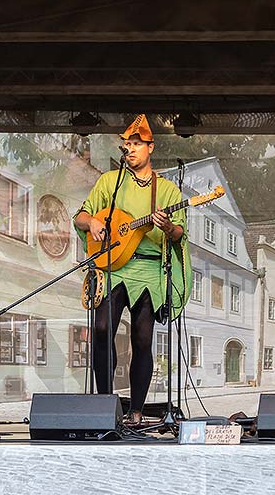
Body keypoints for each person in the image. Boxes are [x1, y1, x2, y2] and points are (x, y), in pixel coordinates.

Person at [73, 115, 192, 425]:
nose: (131, 150)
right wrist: (94, 222)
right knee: (101, 330)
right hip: (113, 267)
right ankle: (104, 403)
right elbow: (81, 217)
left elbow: (179, 234)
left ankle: (136, 411)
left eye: (137, 144)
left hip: (149, 270)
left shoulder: (166, 190)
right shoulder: (109, 183)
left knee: (142, 340)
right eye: (127, 145)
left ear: (150, 147)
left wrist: (167, 227)